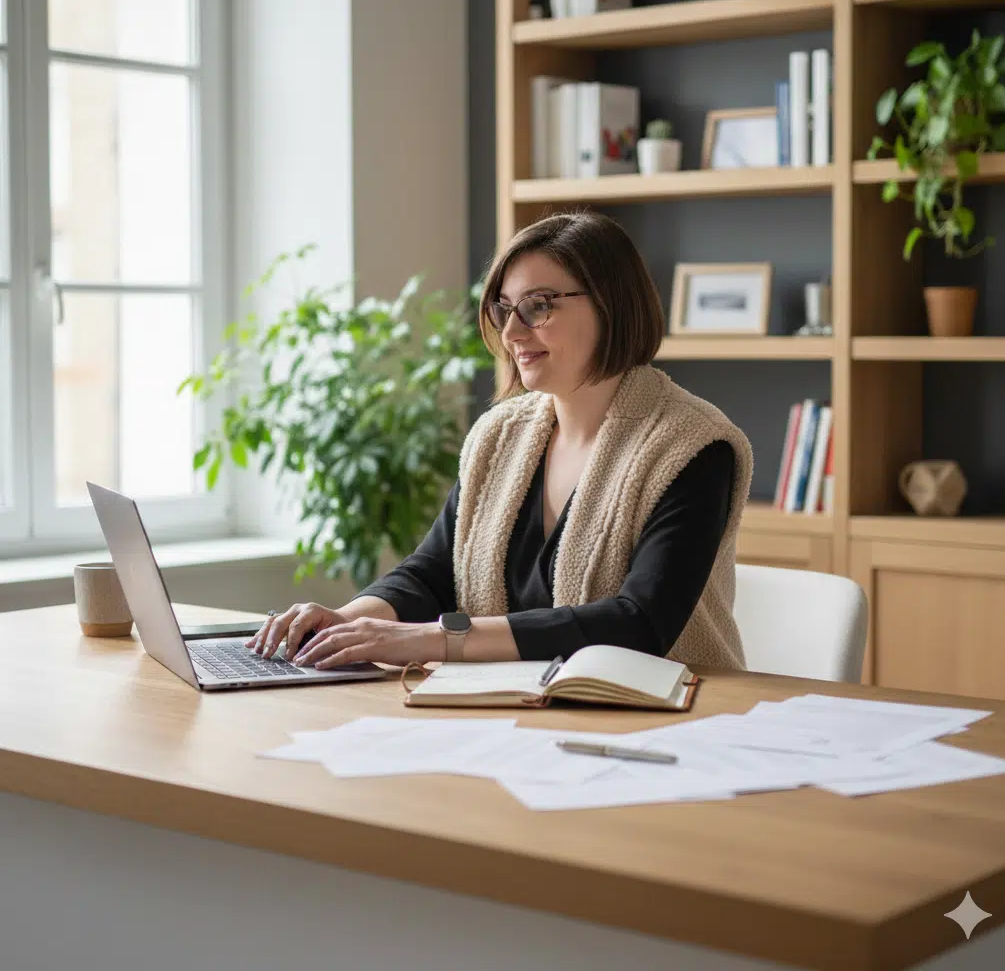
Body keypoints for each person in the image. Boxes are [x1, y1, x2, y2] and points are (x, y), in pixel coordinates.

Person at [247, 212, 753, 672]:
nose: (512, 331)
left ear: (611, 305)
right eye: (504, 308)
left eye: (539, 306)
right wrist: (347, 621)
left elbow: (638, 624)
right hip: (518, 711)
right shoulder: (498, 435)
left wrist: (429, 640)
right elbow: (432, 573)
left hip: (674, 715)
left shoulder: (693, 446)